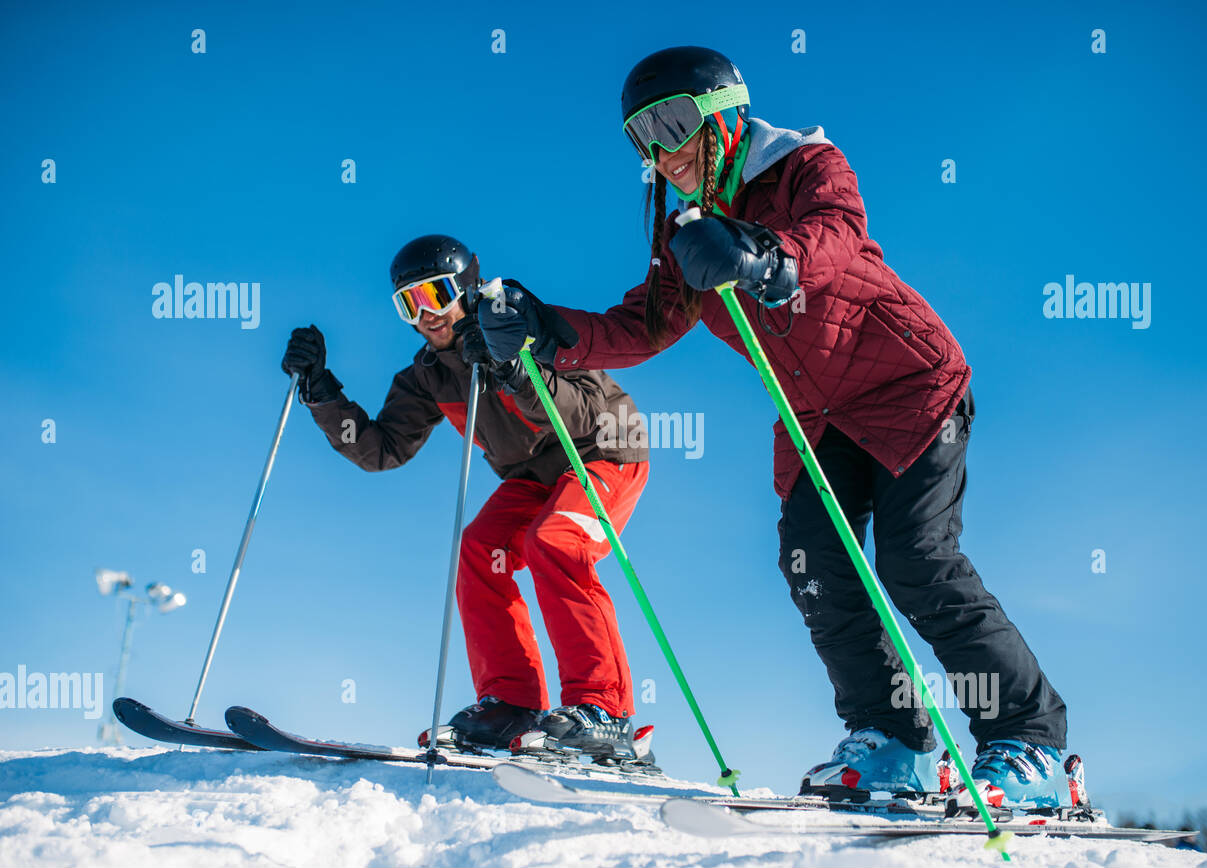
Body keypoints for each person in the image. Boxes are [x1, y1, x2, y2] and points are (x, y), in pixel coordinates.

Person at [476, 48, 1068, 805]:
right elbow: (645, 323)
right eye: (639, 138)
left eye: (672, 122)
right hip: (816, 417)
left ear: (724, 115)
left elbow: (837, 233)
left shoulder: (805, 163)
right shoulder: (686, 233)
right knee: (812, 565)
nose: (661, 150)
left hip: (907, 386)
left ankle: (1029, 740)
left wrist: (763, 256)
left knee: (916, 560)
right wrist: (545, 326)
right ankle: (894, 739)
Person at [280, 235, 651, 761]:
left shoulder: (518, 322)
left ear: (468, 286)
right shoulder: (428, 376)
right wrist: (321, 392)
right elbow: (381, 450)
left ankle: (604, 710)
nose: (427, 314)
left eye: (436, 294)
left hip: (604, 450)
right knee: (479, 549)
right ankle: (512, 704)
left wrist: (514, 368)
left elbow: (582, 415)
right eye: (410, 304)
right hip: (533, 475)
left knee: (556, 541)